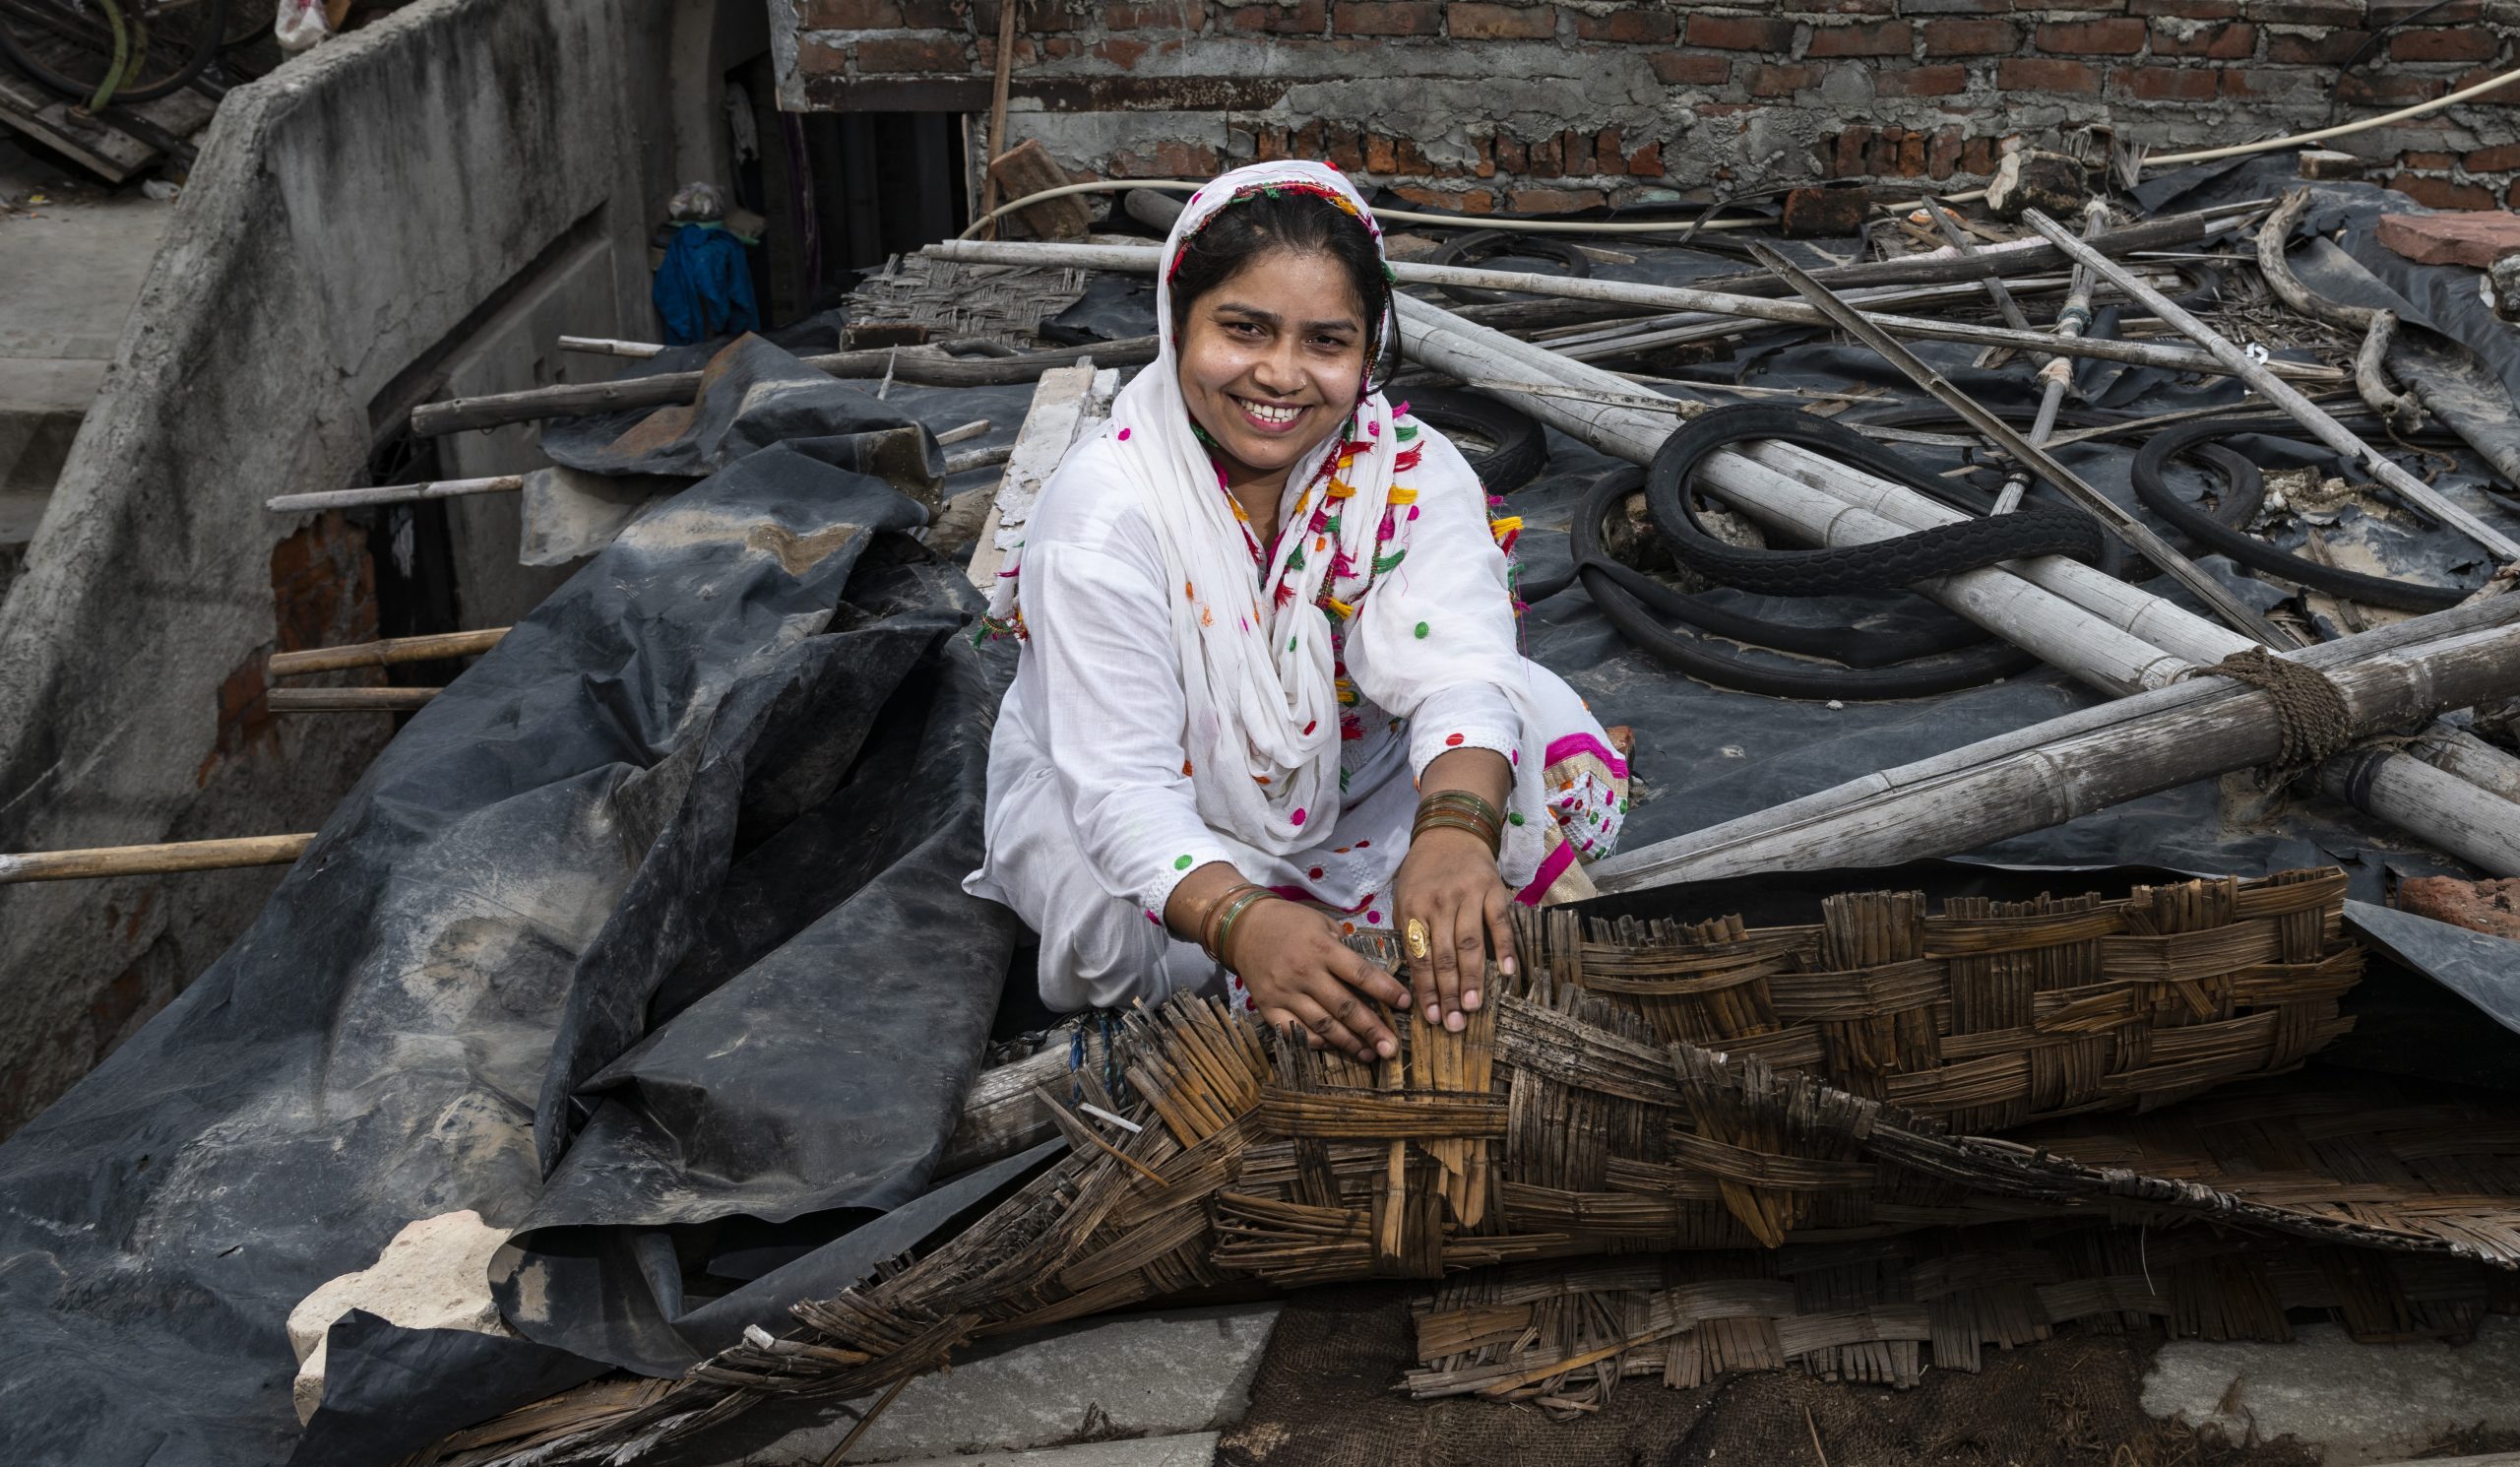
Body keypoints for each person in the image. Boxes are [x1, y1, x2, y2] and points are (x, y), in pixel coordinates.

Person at [965, 160, 1627, 1063]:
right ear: (1176, 324)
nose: (1280, 377)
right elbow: (1123, 785)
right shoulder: (1106, 511)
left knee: (1511, 747)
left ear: (1368, 350)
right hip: (1158, 795)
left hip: (1353, 771)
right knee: (1113, 934)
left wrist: (1452, 834)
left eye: (1327, 342)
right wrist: (1240, 921)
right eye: (1243, 330)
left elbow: (1462, 672)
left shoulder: (1408, 469)